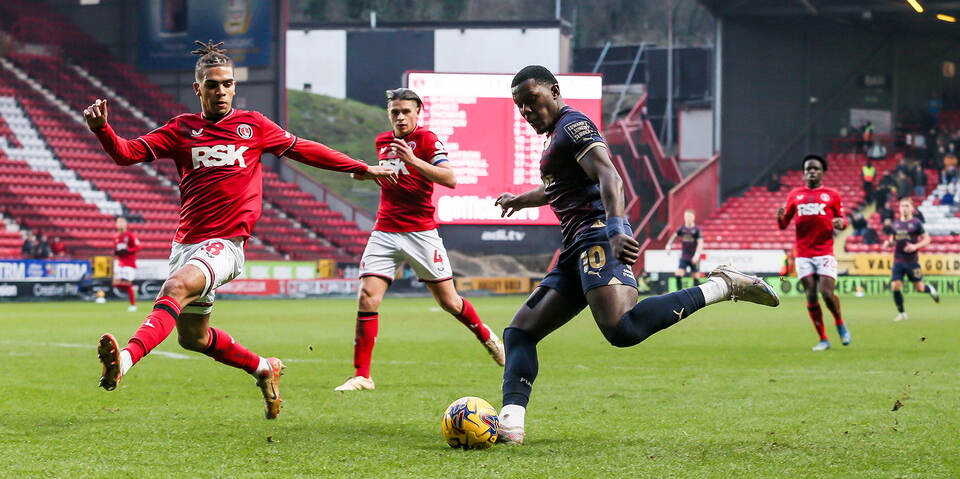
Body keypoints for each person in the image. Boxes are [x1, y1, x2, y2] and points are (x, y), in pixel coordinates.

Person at [84, 40, 397, 419]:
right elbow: (126, 153)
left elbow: (304, 149)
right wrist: (103, 130)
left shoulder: (253, 126)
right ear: (198, 88)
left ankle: (126, 362)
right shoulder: (181, 129)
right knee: (193, 338)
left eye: (227, 84)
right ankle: (265, 368)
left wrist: (359, 168)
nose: (221, 91)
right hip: (186, 245)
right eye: (213, 84)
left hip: (226, 245)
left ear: (235, 86)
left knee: (175, 288)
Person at [492, 65, 779, 445]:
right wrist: (521, 200)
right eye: (520, 106)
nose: (527, 110)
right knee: (519, 333)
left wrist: (615, 229)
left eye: (532, 100)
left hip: (596, 237)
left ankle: (721, 286)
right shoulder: (554, 140)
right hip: (574, 247)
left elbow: (610, 176)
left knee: (622, 329)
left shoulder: (573, 126)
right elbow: (557, 188)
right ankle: (510, 423)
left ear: (554, 91)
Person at [333, 88, 504, 392]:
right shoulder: (382, 141)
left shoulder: (426, 140)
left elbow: (449, 179)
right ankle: (362, 375)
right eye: (394, 112)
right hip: (385, 230)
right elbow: (388, 175)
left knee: (449, 302)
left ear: (417, 112)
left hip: (420, 232)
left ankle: (485, 335)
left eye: (405, 111)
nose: (400, 117)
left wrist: (412, 159)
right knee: (366, 296)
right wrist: (365, 173)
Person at [776, 154, 850, 352]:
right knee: (810, 295)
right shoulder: (795, 195)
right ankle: (823, 338)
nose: (811, 172)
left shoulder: (832, 195)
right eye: (808, 169)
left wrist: (841, 223)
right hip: (803, 253)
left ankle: (839, 322)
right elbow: (784, 225)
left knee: (826, 293)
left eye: (816, 169)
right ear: (803, 173)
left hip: (825, 251)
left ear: (823, 172)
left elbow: (843, 220)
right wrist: (780, 217)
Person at [884, 197, 939, 321]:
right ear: (899, 208)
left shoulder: (916, 223)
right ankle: (902, 313)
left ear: (912, 208)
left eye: (907, 206)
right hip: (898, 260)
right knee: (895, 286)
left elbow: (927, 240)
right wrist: (889, 243)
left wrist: (915, 246)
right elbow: (893, 240)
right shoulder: (895, 224)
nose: (904, 208)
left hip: (912, 262)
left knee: (919, 288)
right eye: (902, 206)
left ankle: (930, 289)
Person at [664, 209, 704, 290]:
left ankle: (697, 296)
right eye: (686, 216)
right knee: (678, 274)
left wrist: (696, 255)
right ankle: (679, 295)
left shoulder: (697, 229)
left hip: (694, 256)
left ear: (694, 217)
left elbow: (700, 243)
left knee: (695, 276)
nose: (688, 218)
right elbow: (674, 237)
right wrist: (668, 246)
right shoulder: (681, 228)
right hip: (684, 256)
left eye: (690, 216)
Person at [112, 216, 142, 312]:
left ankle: (133, 305)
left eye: (122, 222)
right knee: (116, 284)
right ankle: (133, 289)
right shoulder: (115, 236)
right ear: (116, 224)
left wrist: (128, 250)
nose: (120, 224)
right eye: (118, 222)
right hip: (120, 262)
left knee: (127, 284)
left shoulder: (130, 235)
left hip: (129, 263)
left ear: (125, 224)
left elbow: (139, 246)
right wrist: (117, 252)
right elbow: (117, 248)